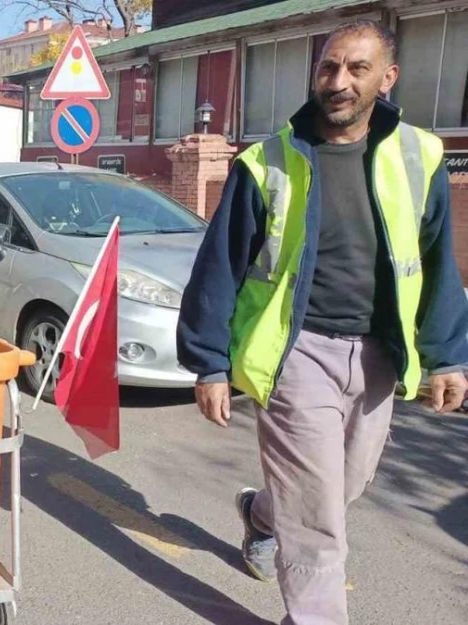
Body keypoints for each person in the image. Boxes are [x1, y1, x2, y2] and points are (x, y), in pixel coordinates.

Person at [176, 20, 468, 625]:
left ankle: (261, 512)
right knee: (316, 517)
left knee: (344, 487)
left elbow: (438, 263)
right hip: (295, 352)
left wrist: (447, 355)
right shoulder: (268, 161)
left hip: (380, 355)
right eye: (328, 67)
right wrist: (207, 361)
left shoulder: (419, 155)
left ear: (387, 79)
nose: (338, 82)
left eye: (356, 69)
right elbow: (220, 265)